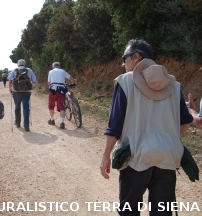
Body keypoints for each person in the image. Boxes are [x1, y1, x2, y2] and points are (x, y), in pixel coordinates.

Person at [99, 39, 193, 215]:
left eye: (124, 58)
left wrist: (105, 156)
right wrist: (171, 142)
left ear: (136, 57)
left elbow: (114, 126)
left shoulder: (125, 82)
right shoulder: (174, 85)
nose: (123, 63)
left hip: (136, 158)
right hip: (167, 158)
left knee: (129, 211)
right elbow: (186, 122)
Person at [8, 59, 37, 131]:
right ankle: (26, 126)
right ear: (25, 64)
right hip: (27, 92)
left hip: (16, 92)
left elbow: (10, 79)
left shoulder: (14, 70)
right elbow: (34, 81)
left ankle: (18, 123)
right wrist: (30, 87)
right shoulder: (29, 70)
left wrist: (10, 88)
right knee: (26, 108)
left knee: (17, 107)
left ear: (18, 64)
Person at [47, 62, 76, 129]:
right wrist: (74, 81)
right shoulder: (63, 71)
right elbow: (71, 78)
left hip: (53, 90)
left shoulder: (50, 71)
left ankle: (52, 120)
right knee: (61, 105)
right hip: (61, 90)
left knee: (51, 105)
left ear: (53, 67)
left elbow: (48, 83)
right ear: (59, 66)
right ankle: (62, 122)